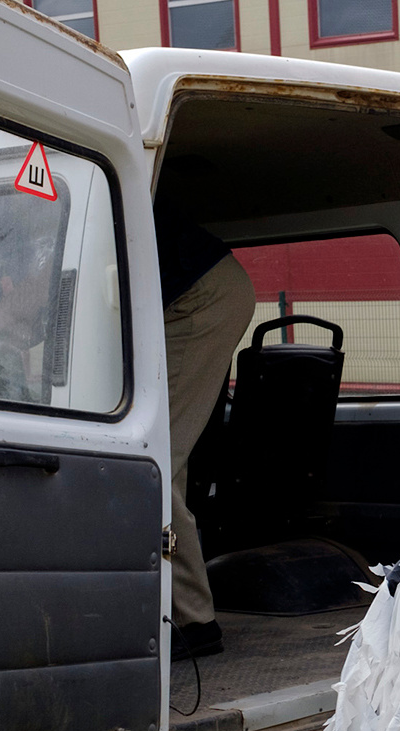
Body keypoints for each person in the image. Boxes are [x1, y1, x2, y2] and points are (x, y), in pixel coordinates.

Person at [157, 206, 256, 660]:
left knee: (154, 460)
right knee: (160, 453)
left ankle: (191, 619)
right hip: (198, 289)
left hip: (200, 295)